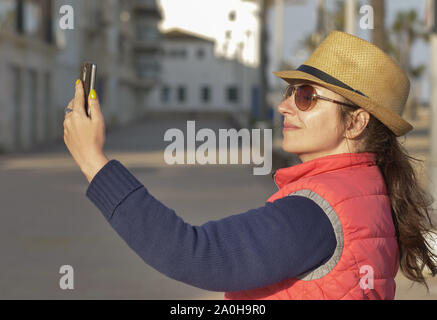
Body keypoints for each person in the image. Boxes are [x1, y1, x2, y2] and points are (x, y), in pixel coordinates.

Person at [63, 31, 437, 300]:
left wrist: (93, 161)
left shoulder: (316, 213)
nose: (285, 106)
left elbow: (195, 253)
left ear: (356, 122)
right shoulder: (364, 191)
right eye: (291, 92)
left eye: (306, 97)